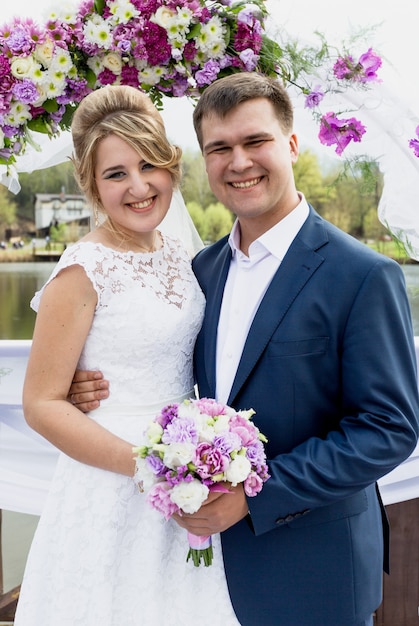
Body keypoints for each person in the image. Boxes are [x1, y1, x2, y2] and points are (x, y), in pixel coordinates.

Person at [69, 73, 419, 626]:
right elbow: (164, 360)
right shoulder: (200, 271)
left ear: (292, 145)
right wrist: (83, 382)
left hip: (316, 569)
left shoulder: (363, 275)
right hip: (200, 568)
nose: (239, 162)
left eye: (255, 142)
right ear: (203, 162)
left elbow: (389, 429)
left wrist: (257, 494)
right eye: (219, 148)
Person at [15, 85, 240, 626]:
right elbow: (41, 404)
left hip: (188, 476)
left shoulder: (182, 255)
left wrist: (192, 464)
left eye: (149, 166)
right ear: (91, 184)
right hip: (110, 483)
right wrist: (148, 468)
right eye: (116, 174)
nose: (139, 187)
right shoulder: (81, 269)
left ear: (172, 169)